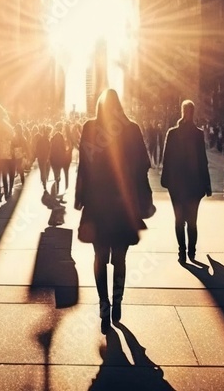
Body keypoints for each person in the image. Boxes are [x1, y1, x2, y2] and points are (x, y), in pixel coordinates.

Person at [75, 89, 154, 333]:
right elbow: (144, 164)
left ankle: (104, 304)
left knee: (99, 257)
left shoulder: (90, 128)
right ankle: (117, 299)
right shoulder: (131, 128)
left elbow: (83, 166)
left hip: (97, 204)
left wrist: (79, 197)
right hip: (123, 205)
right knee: (120, 257)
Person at [161, 100, 213, 263]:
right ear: (193, 112)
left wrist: (166, 179)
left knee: (178, 219)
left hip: (176, 183)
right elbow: (202, 160)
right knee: (192, 220)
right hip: (194, 184)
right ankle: (192, 251)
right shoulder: (198, 133)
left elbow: (166, 158)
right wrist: (207, 184)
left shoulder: (172, 133)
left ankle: (182, 252)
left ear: (182, 111)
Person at [50, 122, 72, 194]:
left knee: (56, 173)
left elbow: (51, 148)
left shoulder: (53, 137)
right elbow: (63, 148)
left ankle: (57, 186)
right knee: (59, 173)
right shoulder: (61, 137)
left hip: (54, 158)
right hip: (59, 158)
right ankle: (61, 186)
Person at [33, 124, 52, 195]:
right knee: (46, 170)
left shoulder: (41, 139)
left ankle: (44, 181)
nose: (48, 133)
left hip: (42, 157)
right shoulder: (45, 139)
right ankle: (44, 181)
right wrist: (47, 157)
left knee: (43, 170)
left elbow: (37, 148)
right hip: (45, 157)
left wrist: (38, 156)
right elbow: (48, 149)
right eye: (48, 132)